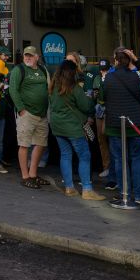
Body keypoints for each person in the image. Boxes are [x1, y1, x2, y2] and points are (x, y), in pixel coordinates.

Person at [49, 59, 104, 200]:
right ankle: (87, 189)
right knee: (84, 156)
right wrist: (91, 98)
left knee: (65, 155)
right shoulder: (74, 88)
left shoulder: (53, 86)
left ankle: (69, 188)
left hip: (57, 126)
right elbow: (86, 107)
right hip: (73, 127)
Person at [104, 47, 140, 208]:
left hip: (115, 124)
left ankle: (124, 193)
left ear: (115, 61)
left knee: (119, 160)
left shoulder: (108, 78)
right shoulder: (137, 76)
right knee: (137, 159)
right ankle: (139, 194)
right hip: (137, 123)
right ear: (129, 61)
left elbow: (102, 99)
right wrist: (135, 60)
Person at [9, 46, 51, 189]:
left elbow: (49, 88)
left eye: (31, 56)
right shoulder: (18, 70)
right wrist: (21, 109)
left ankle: (33, 174)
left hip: (42, 114)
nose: (28, 58)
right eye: (26, 55)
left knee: (40, 144)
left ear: (37, 57)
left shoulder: (43, 70)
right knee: (24, 144)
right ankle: (25, 176)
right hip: (27, 114)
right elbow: (12, 89)